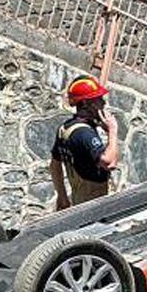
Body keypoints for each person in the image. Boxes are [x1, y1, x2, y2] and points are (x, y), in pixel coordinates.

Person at [49, 75, 118, 210]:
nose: (103, 104)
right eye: (98, 100)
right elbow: (109, 163)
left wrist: (62, 197)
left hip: (78, 197)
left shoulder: (65, 128)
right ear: (86, 104)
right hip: (93, 201)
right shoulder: (84, 133)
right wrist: (112, 131)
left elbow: (54, 165)